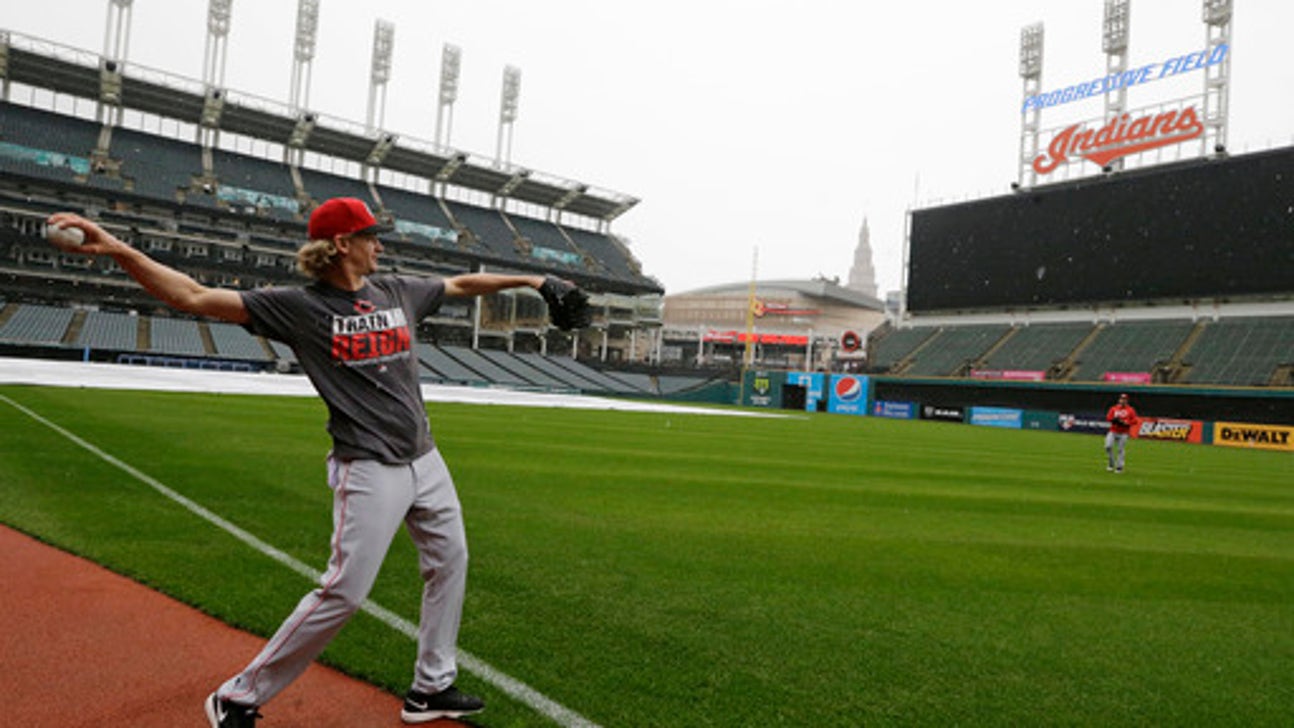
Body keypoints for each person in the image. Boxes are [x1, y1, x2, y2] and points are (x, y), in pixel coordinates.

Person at [45, 198, 572, 727]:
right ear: (342, 245)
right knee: (343, 591)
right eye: (370, 236)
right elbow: (194, 295)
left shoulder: (396, 290)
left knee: (451, 561)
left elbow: (459, 286)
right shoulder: (298, 307)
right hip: (368, 466)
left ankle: (430, 687)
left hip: (426, 459)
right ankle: (237, 696)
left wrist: (533, 279)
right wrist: (115, 248)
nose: (379, 245)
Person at [1104, 392, 1139, 473]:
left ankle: (1119, 466)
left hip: (1124, 432)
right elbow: (1108, 417)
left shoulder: (1130, 410)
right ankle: (1111, 463)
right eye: (1121, 399)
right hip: (1113, 431)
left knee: (1120, 449)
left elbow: (1135, 420)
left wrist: (1126, 422)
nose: (1123, 400)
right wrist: (1114, 420)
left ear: (1127, 401)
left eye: (1124, 399)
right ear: (1119, 400)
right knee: (1108, 446)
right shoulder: (1114, 408)